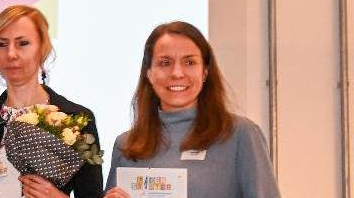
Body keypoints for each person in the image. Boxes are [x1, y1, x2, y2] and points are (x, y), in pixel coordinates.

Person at [103, 22, 281, 198]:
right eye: (165, 63)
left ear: (204, 72)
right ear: (149, 73)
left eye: (189, 62)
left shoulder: (240, 134)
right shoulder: (126, 144)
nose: (177, 73)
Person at [0, 4, 102, 198]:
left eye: (23, 43)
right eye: (2, 44)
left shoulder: (77, 119)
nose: (11, 54)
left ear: (42, 49)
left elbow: (92, 194)